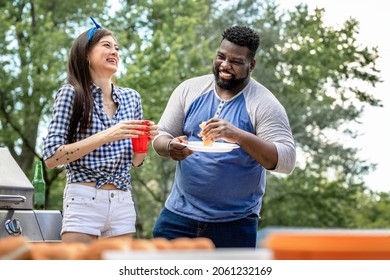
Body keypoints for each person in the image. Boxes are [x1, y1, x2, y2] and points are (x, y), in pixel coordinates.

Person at [152, 26, 296, 248]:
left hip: (235, 225)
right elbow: (160, 136)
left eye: (236, 62)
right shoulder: (190, 90)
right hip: (178, 218)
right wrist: (170, 146)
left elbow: (286, 161)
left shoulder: (263, 103)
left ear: (252, 65)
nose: (225, 65)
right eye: (221, 57)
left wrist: (238, 135)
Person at [43, 17, 158, 243]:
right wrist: (110, 134)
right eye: (106, 45)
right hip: (83, 199)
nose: (114, 51)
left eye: (117, 48)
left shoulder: (132, 98)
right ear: (86, 54)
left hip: (122, 201)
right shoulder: (71, 94)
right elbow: (51, 157)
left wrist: (144, 140)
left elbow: (135, 162)